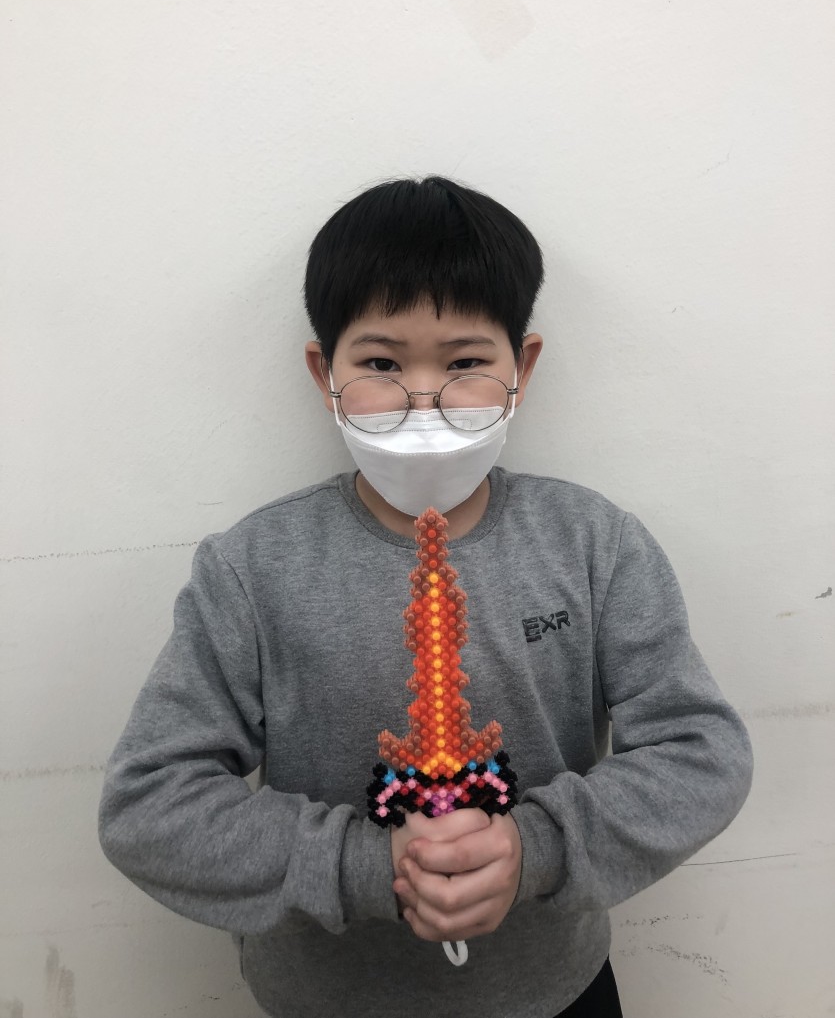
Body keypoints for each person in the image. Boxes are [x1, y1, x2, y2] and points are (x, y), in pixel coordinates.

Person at [99, 176, 754, 1018]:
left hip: (552, 992)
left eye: (464, 362)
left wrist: (534, 845)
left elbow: (701, 749)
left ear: (521, 367)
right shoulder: (251, 567)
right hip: (328, 1002)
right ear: (323, 372)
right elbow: (148, 803)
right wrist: (369, 864)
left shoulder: (594, 543)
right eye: (380, 363)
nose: (421, 399)